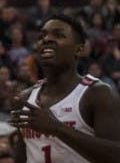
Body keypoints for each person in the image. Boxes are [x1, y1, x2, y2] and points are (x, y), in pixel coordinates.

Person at [9, 14, 120, 161]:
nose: (46, 39)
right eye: (42, 36)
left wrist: (57, 128)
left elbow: (115, 156)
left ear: (78, 50)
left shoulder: (97, 93)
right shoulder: (24, 98)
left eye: (58, 35)